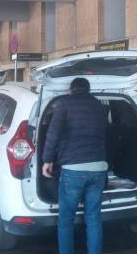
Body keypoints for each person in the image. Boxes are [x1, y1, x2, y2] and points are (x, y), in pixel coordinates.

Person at [42, 78, 108, 254]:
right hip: (99, 168)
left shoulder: (64, 104)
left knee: (66, 220)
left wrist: (47, 160)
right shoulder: (100, 107)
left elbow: (53, 134)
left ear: (71, 90)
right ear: (88, 89)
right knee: (93, 218)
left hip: (73, 169)